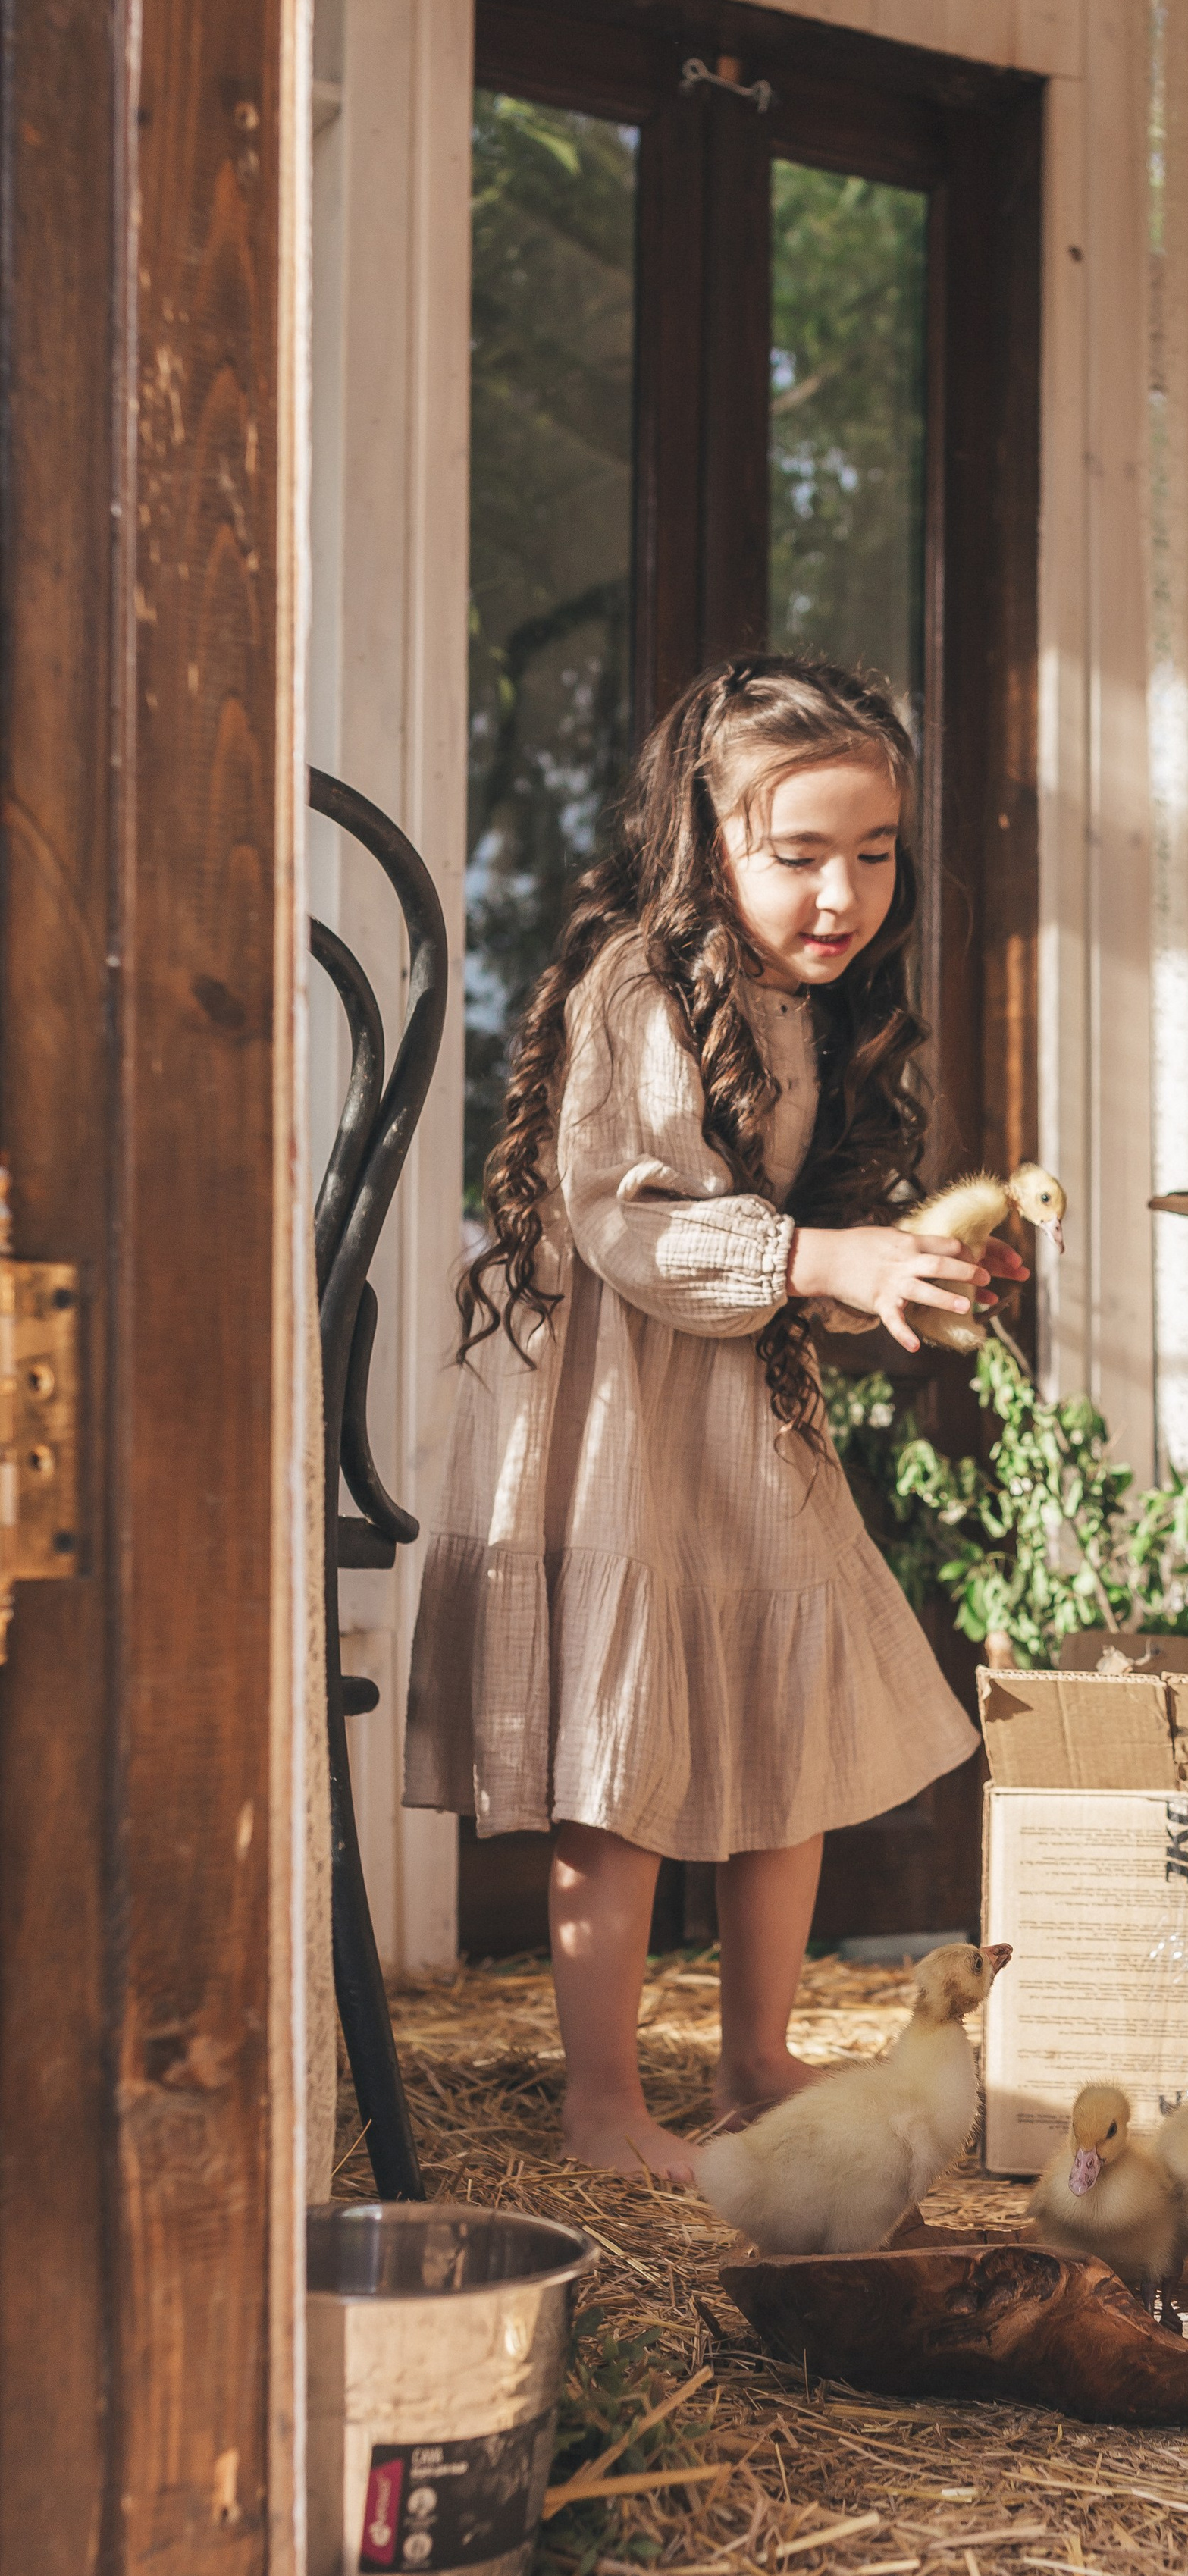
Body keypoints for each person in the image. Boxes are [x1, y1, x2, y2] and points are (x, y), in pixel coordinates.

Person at [404, 657, 1023, 2182]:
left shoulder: (814, 1000)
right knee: (616, 1756)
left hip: (740, 1408)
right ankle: (603, 2104)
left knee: (785, 1719)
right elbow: (629, 1222)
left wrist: (896, 1273)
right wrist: (816, 1260)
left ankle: (754, 2060)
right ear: (708, 839)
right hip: (619, 1414)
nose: (842, 894)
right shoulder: (641, 984)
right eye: (799, 854)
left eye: (873, 853)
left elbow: (789, 1247)